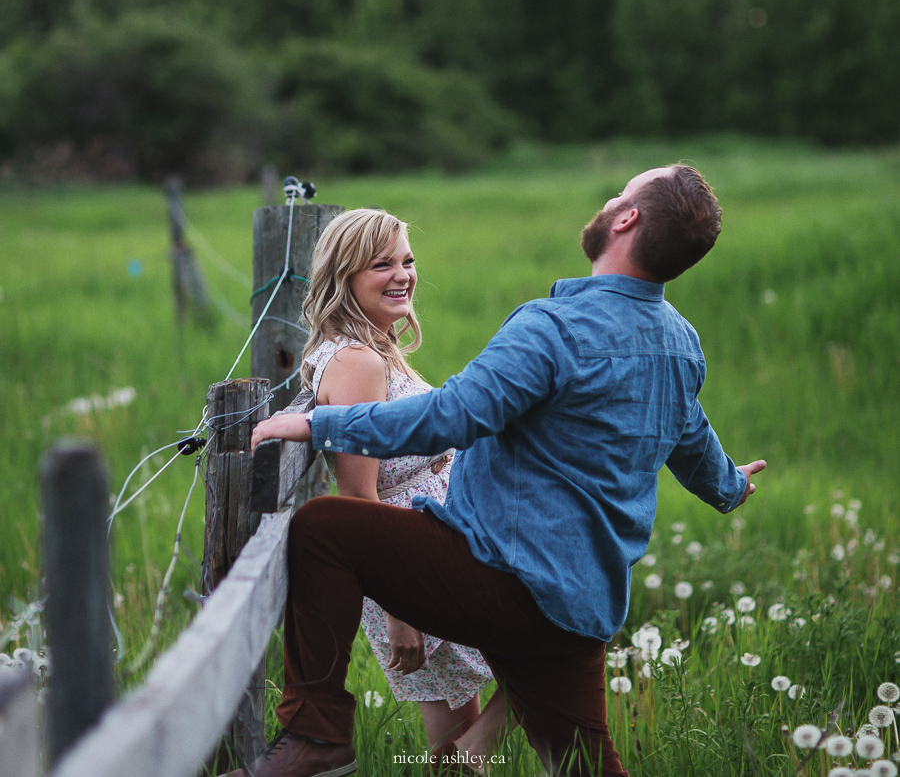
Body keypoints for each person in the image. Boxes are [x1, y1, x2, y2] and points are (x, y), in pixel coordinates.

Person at [235, 164, 766, 777]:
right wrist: (729, 485)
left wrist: (319, 424)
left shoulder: (551, 327)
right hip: (581, 607)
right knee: (584, 766)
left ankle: (317, 735)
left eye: (619, 194)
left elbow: (451, 416)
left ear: (626, 219)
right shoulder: (680, 341)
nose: (610, 199)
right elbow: (692, 437)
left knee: (323, 526)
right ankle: (454, 752)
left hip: (502, 578)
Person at [292, 207, 502, 763]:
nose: (402, 274)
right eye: (381, 264)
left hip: (438, 552)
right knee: (559, 648)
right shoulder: (357, 362)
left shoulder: (374, 348)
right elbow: (359, 500)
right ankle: (466, 761)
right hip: (413, 568)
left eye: (406, 260)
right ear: (345, 277)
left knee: (545, 661)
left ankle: (468, 761)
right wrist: (399, 609)